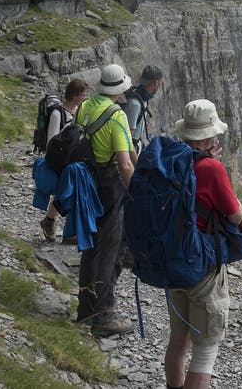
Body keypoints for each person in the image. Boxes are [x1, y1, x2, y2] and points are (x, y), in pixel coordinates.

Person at [164, 99, 242, 389]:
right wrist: (215, 167)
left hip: (171, 261)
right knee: (205, 352)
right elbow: (234, 216)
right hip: (201, 266)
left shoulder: (169, 159)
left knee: (178, 341)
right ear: (209, 138)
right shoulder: (212, 168)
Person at [75, 63, 136, 336]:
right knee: (110, 249)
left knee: (90, 247)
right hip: (110, 187)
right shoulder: (117, 115)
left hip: (87, 184)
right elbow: (125, 163)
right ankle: (104, 315)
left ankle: (85, 309)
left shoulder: (85, 107)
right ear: (120, 89)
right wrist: (136, 192)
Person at [40, 77, 89, 241]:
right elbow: (51, 141)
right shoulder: (57, 113)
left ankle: (51, 222)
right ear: (74, 94)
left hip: (73, 159)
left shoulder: (80, 111)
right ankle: (64, 229)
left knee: (68, 192)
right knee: (67, 192)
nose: (85, 98)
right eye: (82, 95)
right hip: (60, 160)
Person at [123, 64, 164, 154]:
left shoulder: (141, 97)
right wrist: (135, 161)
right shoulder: (135, 103)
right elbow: (127, 139)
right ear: (156, 82)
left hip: (136, 145)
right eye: (160, 83)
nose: (159, 86)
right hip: (131, 150)